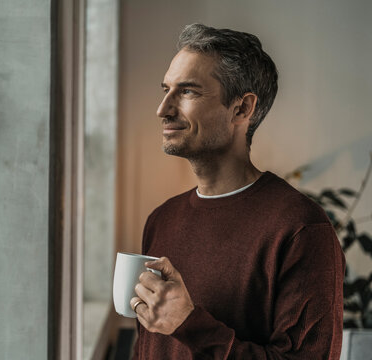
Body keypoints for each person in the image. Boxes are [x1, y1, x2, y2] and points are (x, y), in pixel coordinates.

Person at [129, 23, 345, 359]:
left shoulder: (301, 228)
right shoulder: (161, 219)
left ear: (242, 109)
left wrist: (190, 323)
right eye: (166, 90)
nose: (163, 109)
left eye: (187, 92)